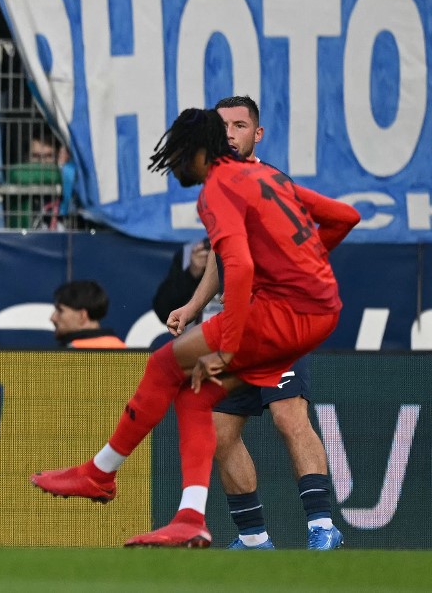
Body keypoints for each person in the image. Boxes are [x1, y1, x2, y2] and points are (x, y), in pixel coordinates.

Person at [31, 107, 360, 548]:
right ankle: (193, 517)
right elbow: (345, 217)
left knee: (168, 365)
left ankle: (101, 475)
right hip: (320, 309)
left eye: (180, 154)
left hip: (281, 314)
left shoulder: (218, 189)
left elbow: (239, 267)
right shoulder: (268, 178)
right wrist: (305, 266)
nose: (175, 165)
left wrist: (231, 342)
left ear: (201, 152)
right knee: (196, 389)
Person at [153, 95, 347, 550]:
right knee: (220, 432)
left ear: (256, 134)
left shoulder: (268, 181)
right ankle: (254, 538)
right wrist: (193, 304)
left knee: (287, 415)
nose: (230, 133)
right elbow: (223, 260)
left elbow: (311, 241)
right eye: (223, 127)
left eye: (240, 125)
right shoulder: (219, 185)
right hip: (230, 322)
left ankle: (322, 528)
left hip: (276, 324)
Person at [52, 280, 127, 348]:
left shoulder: (67, 356)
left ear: (82, 316)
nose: (52, 318)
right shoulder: (123, 349)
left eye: (60, 311)